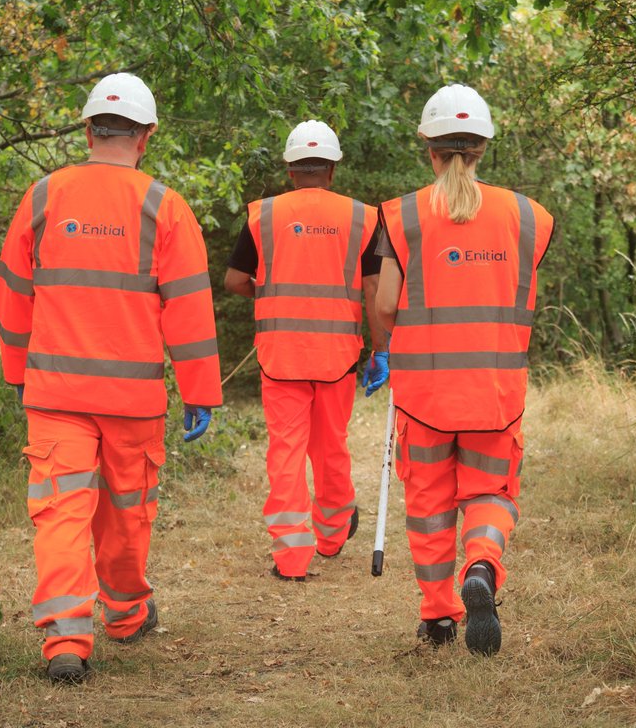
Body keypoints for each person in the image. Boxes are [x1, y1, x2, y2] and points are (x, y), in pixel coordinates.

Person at [0, 72, 222, 684]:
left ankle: (68, 639)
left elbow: (15, 293)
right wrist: (200, 392)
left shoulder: (43, 197)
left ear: (88, 129)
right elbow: (190, 309)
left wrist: (16, 370)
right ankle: (124, 613)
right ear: (144, 136)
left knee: (61, 512)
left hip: (55, 393)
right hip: (133, 398)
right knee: (127, 512)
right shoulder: (163, 206)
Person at [374, 84, 554, 655]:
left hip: (423, 395)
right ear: (482, 148)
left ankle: (439, 617)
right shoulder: (528, 218)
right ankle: (480, 566)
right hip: (495, 393)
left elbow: (383, 304)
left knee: (428, 504)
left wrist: (383, 351)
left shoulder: (401, 216)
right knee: (491, 492)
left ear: (428, 146)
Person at [224, 120, 388, 581]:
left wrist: (272, 291)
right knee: (331, 445)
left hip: (280, 357)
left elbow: (235, 280)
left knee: (286, 452)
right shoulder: (363, 217)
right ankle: (333, 535)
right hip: (339, 355)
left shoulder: (263, 215)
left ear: (291, 170)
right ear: (332, 170)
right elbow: (374, 287)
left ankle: (292, 558)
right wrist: (381, 350)